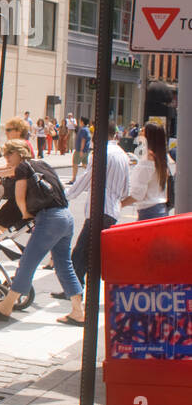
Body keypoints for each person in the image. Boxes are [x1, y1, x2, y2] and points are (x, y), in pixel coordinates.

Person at [0, 140, 85, 325]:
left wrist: (25, 214)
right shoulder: (41, 164)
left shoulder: (22, 167)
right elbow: (8, 172)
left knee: (27, 262)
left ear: (19, 154)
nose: (6, 158)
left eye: (9, 154)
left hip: (49, 219)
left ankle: (5, 307)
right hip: (65, 216)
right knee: (64, 265)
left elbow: (20, 198)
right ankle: (78, 311)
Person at [65, 121, 130, 285]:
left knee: (80, 253)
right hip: (113, 210)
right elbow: (125, 190)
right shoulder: (123, 154)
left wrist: (65, 195)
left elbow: (86, 180)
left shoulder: (101, 153)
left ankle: (74, 291)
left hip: (99, 210)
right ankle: (82, 289)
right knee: (94, 254)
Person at [123, 121, 176, 221]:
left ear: (149, 136)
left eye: (143, 130)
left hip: (149, 212)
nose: (140, 132)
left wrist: (119, 205)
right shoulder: (162, 157)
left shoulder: (148, 159)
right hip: (160, 209)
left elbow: (138, 194)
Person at [70, 117, 91, 184]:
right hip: (86, 150)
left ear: (82, 122)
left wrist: (81, 150)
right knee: (85, 164)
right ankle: (92, 175)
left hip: (80, 150)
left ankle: (73, 179)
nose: (79, 122)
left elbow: (83, 140)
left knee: (75, 164)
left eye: (80, 121)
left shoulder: (83, 130)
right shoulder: (87, 129)